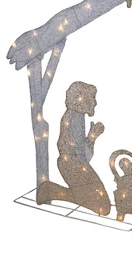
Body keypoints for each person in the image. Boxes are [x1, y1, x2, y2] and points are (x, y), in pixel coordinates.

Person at [37, 81, 111, 215]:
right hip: (72, 164)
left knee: (100, 203)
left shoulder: (73, 116)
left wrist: (90, 137)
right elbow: (84, 157)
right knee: (103, 206)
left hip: (69, 162)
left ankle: (50, 191)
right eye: (93, 98)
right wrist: (92, 137)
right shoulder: (75, 119)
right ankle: (50, 191)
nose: (95, 103)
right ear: (80, 98)